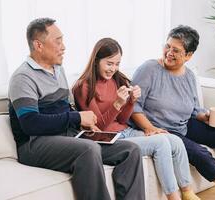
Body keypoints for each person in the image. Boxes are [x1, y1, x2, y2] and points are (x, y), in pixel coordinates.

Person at [8, 18, 145, 200]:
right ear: (38, 45)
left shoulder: (58, 70)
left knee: (131, 150)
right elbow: (30, 124)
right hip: (34, 144)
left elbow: (63, 110)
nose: (63, 46)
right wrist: (77, 118)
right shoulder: (22, 77)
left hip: (66, 136)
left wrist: (84, 125)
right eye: (58, 41)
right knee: (89, 150)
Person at [129, 25, 215, 200]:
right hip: (162, 130)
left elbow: (193, 109)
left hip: (183, 124)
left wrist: (206, 117)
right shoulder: (149, 69)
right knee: (199, 153)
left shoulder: (189, 76)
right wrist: (149, 128)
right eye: (168, 46)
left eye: (176, 50)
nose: (169, 52)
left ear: (188, 56)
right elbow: (133, 106)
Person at [72, 37, 200, 200]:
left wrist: (131, 102)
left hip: (126, 131)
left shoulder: (117, 80)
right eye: (109, 63)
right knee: (160, 143)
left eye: (117, 64)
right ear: (96, 60)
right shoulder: (83, 86)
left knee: (174, 140)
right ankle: (173, 197)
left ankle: (188, 192)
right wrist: (118, 104)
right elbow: (100, 127)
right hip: (109, 140)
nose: (113, 69)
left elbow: (123, 120)